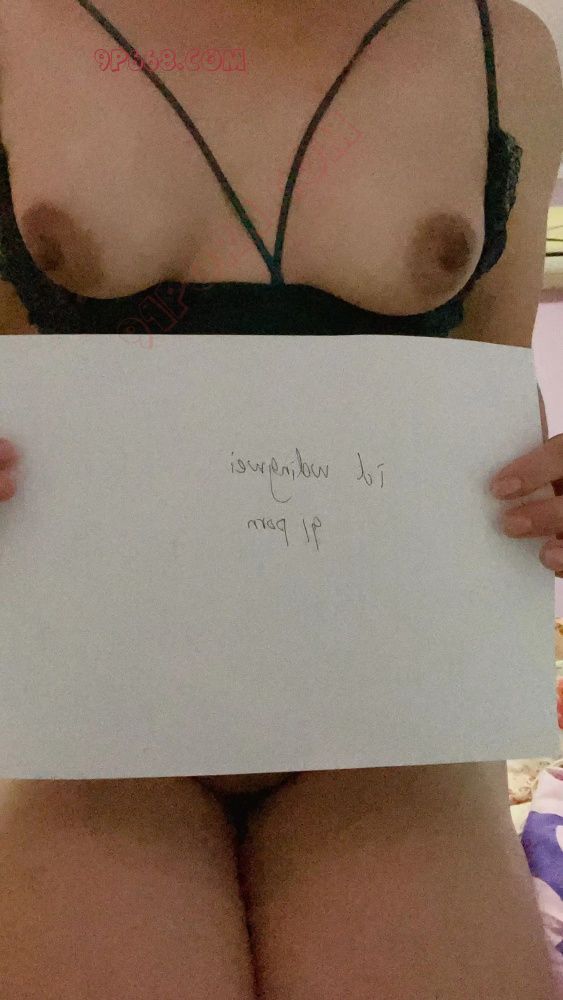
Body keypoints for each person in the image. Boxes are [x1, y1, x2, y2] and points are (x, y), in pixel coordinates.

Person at [0, 0, 562, 996]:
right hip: (94, 707)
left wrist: (543, 491)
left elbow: (492, 405)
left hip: (387, 708)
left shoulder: (499, 46)